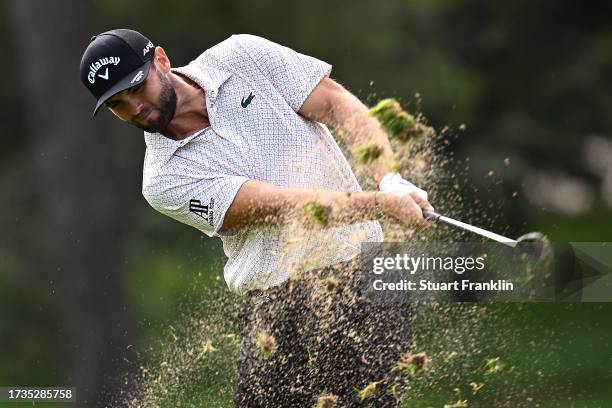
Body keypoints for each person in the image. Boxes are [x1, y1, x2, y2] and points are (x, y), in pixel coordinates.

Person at [80, 29, 434, 407]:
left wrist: (391, 180)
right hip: (279, 306)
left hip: (367, 277)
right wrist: (381, 205)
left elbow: (336, 105)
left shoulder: (242, 56)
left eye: (137, 87)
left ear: (162, 61)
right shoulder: (164, 178)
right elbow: (281, 207)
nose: (134, 107)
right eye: (118, 104)